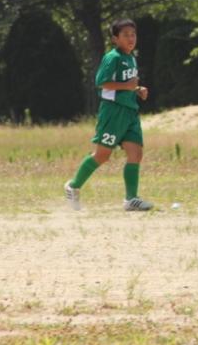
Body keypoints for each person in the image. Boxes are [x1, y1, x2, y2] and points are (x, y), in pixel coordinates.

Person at [64, 19, 153, 211]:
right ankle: (73, 186)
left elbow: (126, 84)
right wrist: (128, 86)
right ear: (115, 39)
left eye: (133, 34)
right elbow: (101, 82)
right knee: (102, 155)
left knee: (136, 153)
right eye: (125, 35)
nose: (131, 38)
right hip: (113, 111)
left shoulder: (131, 57)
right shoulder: (112, 57)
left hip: (130, 111)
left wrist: (137, 89)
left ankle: (131, 199)